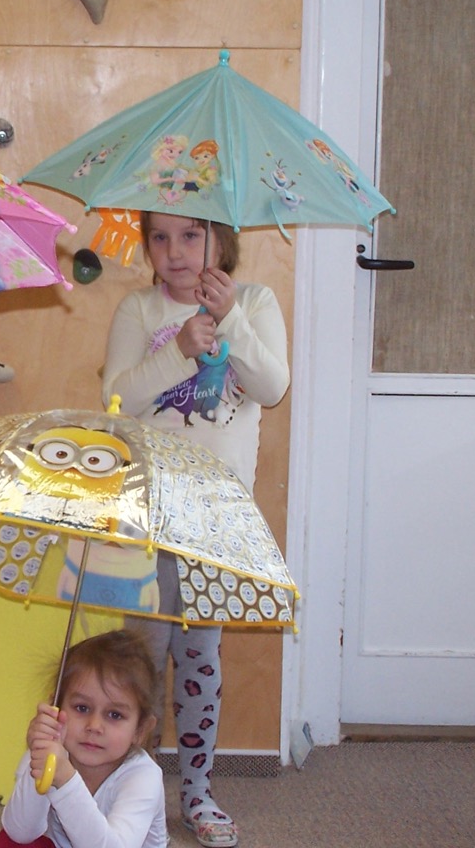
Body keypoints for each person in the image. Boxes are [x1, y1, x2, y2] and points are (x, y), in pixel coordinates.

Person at [101, 213, 289, 848]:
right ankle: (135, 789)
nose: (174, 251)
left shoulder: (254, 303)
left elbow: (272, 387)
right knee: (142, 655)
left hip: (216, 515)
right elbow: (117, 403)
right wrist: (178, 349)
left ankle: (198, 791)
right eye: (159, 237)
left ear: (221, 240)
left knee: (200, 655)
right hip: (151, 510)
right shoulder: (140, 309)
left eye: (190, 235)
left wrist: (230, 318)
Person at [0, 630, 167, 848]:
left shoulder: (143, 776)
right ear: (56, 709)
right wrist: (42, 765)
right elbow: (20, 832)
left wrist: (66, 780)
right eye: (82, 708)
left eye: (115, 715)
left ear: (140, 730)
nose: (94, 726)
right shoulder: (48, 752)